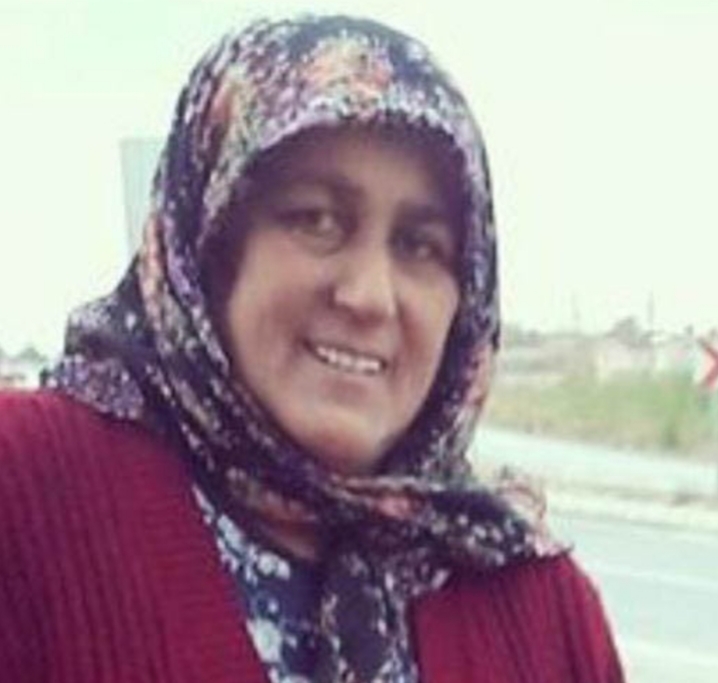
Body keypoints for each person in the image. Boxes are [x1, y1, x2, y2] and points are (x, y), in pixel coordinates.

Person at [0, 14, 624, 683]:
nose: (370, 296)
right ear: (211, 248)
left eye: (420, 245)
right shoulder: (25, 493)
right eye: (316, 220)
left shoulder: (536, 603)